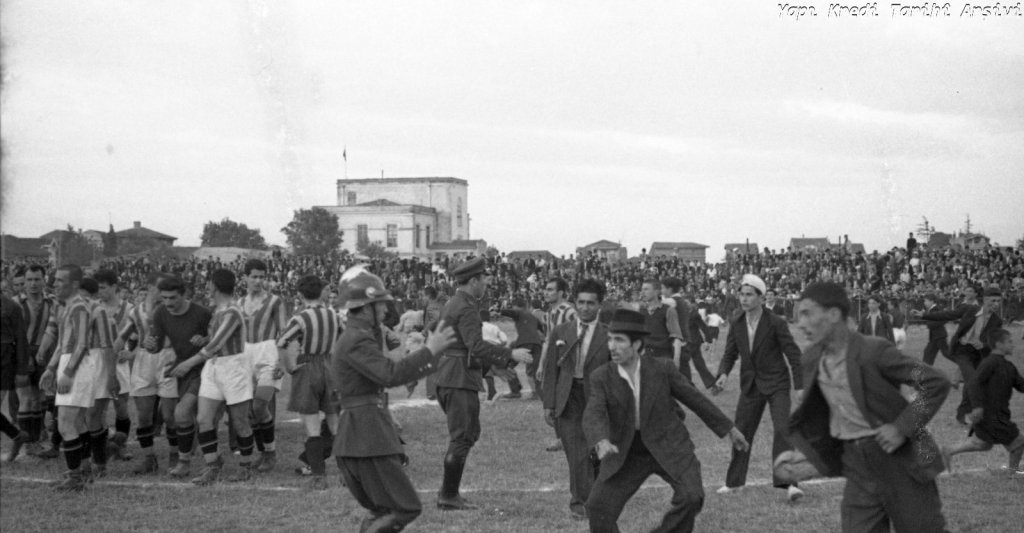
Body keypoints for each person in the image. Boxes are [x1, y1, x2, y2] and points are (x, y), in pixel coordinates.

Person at [785, 281, 951, 532]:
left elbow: (935, 381)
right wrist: (809, 453)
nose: (801, 323)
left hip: (900, 464)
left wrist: (901, 427)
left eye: (807, 313)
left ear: (833, 314)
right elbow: (829, 413)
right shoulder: (810, 359)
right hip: (857, 466)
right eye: (798, 316)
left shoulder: (874, 351)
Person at [582, 308, 748, 533]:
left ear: (638, 345)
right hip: (626, 450)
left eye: (619, 340)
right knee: (597, 507)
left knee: (692, 496)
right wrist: (600, 439)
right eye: (610, 339)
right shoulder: (601, 376)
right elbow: (594, 411)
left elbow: (695, 399)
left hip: (669, 444)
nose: (612, 346)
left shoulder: (663, 369)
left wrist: (729, 428)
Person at [331, 266, 457, 532]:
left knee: (384, 509)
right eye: (380, 305)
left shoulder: (360, 336)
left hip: (363, 434)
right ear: (365, 307)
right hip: (366, 436)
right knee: (405, 507)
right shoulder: (356, 339)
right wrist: (429, 351)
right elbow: (389, 374)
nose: (386, 311)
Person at [434, 257, 533, 510]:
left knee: (468, 433)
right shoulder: (466, 307)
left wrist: (495, 369)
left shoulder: (453, 303)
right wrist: (509, 354)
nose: (486, 286)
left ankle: (449, 492)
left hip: (451, 375)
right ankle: (448, 494)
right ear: (474, 280)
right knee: (462, 436)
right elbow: (474, 345)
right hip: (459, 378)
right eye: (484, 281)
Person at [714, 274, 805, 501]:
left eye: (749, 295)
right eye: (741, 294)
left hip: (777, 383)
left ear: (761, 298)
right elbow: (730, 353)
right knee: (741, 432)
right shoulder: (736, 322)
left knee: (783, 428)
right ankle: (734, 483)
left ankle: (790, 484)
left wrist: (800, 386)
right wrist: (723, 373)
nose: (743, 299)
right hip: (751, 385)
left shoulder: (775, 322)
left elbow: (794, 355)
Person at [167, 269, 255, 485]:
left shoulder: (233, 312)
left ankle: (245, 467)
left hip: (233, 368)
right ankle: (213, 465)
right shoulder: (217, 311)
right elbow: (213, 340)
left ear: (215, 285)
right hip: (213, 367)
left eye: (208, 284)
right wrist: (203, 339)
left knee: (240, 421)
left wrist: (187, 363)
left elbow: (216, 345)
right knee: (204, 419)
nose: (206, 287)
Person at [541, 278, 611, 520]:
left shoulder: (609, 335)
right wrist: (549, 403)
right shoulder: (562, 332)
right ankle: (580, 503)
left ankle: (597, 496)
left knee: (596, 452)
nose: (584, 307)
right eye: (580, 302)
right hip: (568, 398)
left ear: (599, 305)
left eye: (590, 303)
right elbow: (551, 369)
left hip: (597, 400)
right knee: (576, 453)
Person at [277, 274, 342, 490]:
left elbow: (282, 341)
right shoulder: (333, 315)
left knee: (312, 426)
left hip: (308, 367)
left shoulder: (300, 318)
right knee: (335, 424)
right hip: (329, 367)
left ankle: (319, 477)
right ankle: (347, 473)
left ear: (300, 294)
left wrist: (289, 367)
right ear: (321, 293)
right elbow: (343, 338)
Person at [144, 275, 213, 479]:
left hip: (205, 368)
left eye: (172, 298)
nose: (168, 303)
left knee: (182, 413)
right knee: (188, 417)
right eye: (164, 298)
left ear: (184, 295)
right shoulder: (161, 313)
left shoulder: (202, 313)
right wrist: (150, 345)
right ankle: (202, 458)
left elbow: (219, 338)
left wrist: (206, 338)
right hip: (182, 369)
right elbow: (156, 344)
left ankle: (185, 462)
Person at [38, 265, 99, 491]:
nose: (54, 284)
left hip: (78, 365)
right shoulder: (66, 307)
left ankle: (75, 478)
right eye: (54, 280)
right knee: (77, 422)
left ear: (74, 284)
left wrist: (68, 372)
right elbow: (63, 344)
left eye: (60, 280)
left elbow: (81, 343)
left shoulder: (79, 307)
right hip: (70, 362)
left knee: (65, 423)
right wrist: (51, 369)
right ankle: (83, 469)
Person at [115, 272, 176, 474]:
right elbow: (122, 336)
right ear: (150, 287)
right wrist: (111, 356)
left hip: (168, 359)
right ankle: (149, 458)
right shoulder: (136, 312)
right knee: (143, 416)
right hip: (143, 362)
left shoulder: (172, 309)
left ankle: (176, 456)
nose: (164, 293)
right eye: (160, 288)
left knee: (170, 416)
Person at [942, 328, 1024, 474]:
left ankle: (948, 450)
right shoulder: (989, 363)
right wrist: (977, 407)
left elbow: (1021, 385)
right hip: (991, 415)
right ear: (999, 344)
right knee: (1018, 443)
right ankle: (1013, 473)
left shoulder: (1008, 366)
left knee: (982, 443)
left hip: (999, 414)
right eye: (1009, 342)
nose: (1013, 345)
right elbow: (973, 384)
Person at [238, 259, 288, 473]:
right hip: (244, 356)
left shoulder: (275, 301)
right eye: (254, 276)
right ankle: (263, 452)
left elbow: (284, 333)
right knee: (250, 411)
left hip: (268, 354)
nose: (258, 281)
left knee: (260, 406)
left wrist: (282, 361)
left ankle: (271, 453)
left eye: (261, 277)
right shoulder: (239, 303)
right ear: (245, 278)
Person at [946, 286, 1005, 425]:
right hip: (962, 351)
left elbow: (995, 341)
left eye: (999, 302)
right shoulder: (971, 310)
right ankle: (976, 412)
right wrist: (924, 315)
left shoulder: (997, 320)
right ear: (985, 300)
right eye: (993, 301)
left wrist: (983, 345)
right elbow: (948, 315)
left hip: (979, 355)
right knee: (972, 380)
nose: (996, 304)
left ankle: (962, 413)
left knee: (972, 382)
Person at [18, 265, 59, 458]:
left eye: (37, 279)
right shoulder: (16, 303)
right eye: (29, 280)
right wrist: (22, 355)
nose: (33, 284)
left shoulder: (52, 303)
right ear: (24, 282)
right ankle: (29, 443)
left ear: (44, 280)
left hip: (45, 355)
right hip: (21, 356)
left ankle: (39, 433)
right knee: (27, 399)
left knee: (41, 398)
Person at [94, 269, 134, 461]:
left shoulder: (129, 309)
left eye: (103, 287)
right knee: (98, 407)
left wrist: (131, 352)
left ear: (114, 287)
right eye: (98, 287)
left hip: (119, 363)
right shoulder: (94, 307)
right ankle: (101, 446)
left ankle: (121, 445)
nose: (99, 291)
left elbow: (143, 335)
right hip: (99, 363)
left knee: (121, 406)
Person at [539, 277, 577, 452]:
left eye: (550, 289)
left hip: (568, 361)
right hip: (554, 360)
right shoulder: (549, 313)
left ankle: (566, 437)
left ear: (561, 293)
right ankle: (561, 436)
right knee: (552, 396)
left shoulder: (569, 312)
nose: (546, 292)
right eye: (545, 289)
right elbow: (547, 340)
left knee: (566, 397)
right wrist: (542, 364)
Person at [661, 278, 715, 390]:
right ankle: (709, 383)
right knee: (697, 365)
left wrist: (708, 340)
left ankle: (690, 388)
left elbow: (703, 326)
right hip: (691, 342)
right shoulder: (688, 310)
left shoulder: (691, 312)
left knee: (684, 367)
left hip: (689, 342)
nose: (688, 303)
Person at [1, 293, 32, 459]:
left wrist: (22, 370)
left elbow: (21, 339)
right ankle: (17, 436)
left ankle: (17, 436)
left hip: (4, 362)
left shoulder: (11, 307)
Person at [499, 297, 544, 400]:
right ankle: (539, 393)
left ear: (518, 307)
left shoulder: (519, 313)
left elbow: (509, 313)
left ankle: (515, 391)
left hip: (524, 343)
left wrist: (498, 311)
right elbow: (542, 329)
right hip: (537, 345)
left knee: (507, 365)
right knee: (536, 370)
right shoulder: (533, 317)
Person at [637, 279, 685, 363]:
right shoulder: (641, 311)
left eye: (646, 289)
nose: (642, 292)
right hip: (645, 358)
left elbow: (676, 337)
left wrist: (676, 359)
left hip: (663, 358)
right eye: (642, 289)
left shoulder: (668, 311)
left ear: (656, 292)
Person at [916, 293, 953, 368]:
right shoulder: (932, 310)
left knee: (947, 354)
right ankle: (924, 374)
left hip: (939, 337)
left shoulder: (936, 309)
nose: (924, 303)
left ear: (932, 301)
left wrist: (930, 324)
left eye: (926, 301)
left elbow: (944, 319)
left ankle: (964, 363)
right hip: (935, 337)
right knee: (928, 354)